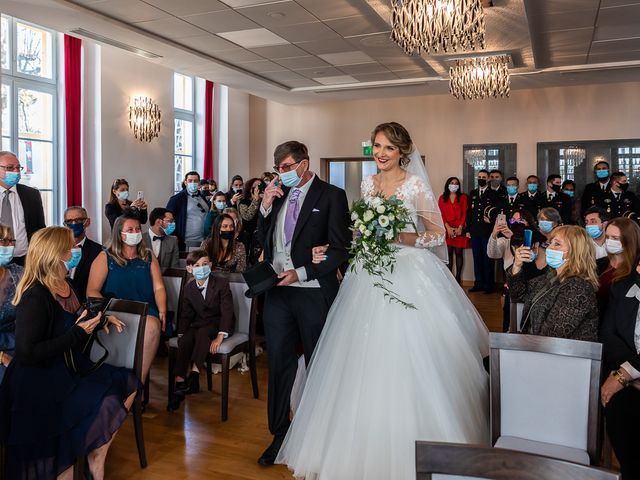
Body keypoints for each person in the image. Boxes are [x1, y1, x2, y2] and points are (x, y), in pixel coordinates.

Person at [275, 123, 489, 479]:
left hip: (409, 272)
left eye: (389, 148)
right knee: (358, 355)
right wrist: (344, 243)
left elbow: (435, 235)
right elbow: (358, 233)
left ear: (402, 151)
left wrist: (400, 235)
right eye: (376, 146)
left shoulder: (416, 184)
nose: (381, 153)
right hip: (369, 272)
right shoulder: (368, 184)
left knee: (407, 352)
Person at [0, 226, 137, 479]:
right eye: (72, 247)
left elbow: (75, 316)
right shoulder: (36, 296)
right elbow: (27, 353)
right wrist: (78, 333)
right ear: (57, 254)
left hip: (63, 368)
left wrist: (99, 319)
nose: (77, 250)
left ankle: (96, 453)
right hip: (36, 382)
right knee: (60, 457)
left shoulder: (67, 282)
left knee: (126, 382)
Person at [255, 139, 351, 466]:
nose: (281, 174)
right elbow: (262, 240)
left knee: (317, 363)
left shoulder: (332, 196)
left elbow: (339, 249)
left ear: (303, 164)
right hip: (278, 292)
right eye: (277, 169)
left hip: (313, 292)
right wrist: (265, 207)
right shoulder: (277, 194)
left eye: (286, 168)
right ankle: (280, 434)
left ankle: (320, 434)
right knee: (279, 364)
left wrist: (303, 271)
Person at [87, 208, 164, 383]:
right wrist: (103, 314)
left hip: (144, 311)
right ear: (119, 234)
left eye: (137, 229)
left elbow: (159, 287)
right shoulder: (104, 257)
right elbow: (92, 290)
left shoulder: (148, 257)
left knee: (152, 325)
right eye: (130, 230)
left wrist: (162, 309)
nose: (135, 233)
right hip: (116, 311)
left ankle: (137, 383)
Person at [168, 249, 234, 411]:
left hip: (218, 323)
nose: (202, 267)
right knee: (186, 339)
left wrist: (220, 337)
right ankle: (180, 383)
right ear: (189, 269)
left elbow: (227, 311)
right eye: (197, 265)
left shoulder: (221, 284)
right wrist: (181, 334)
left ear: (210, 265)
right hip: (199, 323)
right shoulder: (189, 288)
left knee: (204, 333)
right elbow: (186, 314)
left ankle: (195, 375)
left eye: (205, 264)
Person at [507, 225, 599, 341]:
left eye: (557, 244)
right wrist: (517, 265)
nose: (549, 248)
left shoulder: (578, 287)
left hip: (563, 355)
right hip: (539, 348)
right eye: (550, 243)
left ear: (575, 251)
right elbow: (518, 295)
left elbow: (552, 335)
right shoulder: (551, 276)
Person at [600, 258, 640, 480]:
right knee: (616, 409)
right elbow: (608, 334)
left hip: (627, 374)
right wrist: (628, 371)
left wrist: (628, 371)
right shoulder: (622, 287)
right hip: (628, 381)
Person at [487, 209, 546, 332]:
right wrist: (494, 234)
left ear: (529, 223)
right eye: (513, 220)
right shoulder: (505, 242)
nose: (516, 223)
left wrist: (515, 237)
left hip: (533, 290)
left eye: (520, 220)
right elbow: (492, 253)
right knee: (510, 323)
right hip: (511, 288)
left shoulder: (536, 241)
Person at [0, 151, 46, 266]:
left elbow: (39, 229)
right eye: (10, 168)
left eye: (18, 168)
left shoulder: (32, 194)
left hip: (25, 260)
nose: (15, 171)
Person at [596, 217, 640, 317]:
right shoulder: (599, 264)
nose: (609, 241)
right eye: (607, 237)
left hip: (623, 324)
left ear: (629, 239)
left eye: (615, 238)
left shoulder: (637, 268)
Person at [466, 169, 498, 293]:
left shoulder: (493, 194)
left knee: (487, 258)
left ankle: (489, 285)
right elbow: (470, 213)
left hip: (487, 231)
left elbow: (496, 211)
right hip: (475, 231)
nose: (481, 179)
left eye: (484, 177)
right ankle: (478, 283)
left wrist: (491, 220)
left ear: (488, 179)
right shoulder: (473, 193)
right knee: (477, 258)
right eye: (479, 177)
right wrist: (468, 229)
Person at [63, 206, 103, 303]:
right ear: (64, 224)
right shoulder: (55, 249)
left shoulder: (99, 252)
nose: (74, 224)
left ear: (87, 222)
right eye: (69, 221)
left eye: (78, 220)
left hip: (84, 304)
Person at [0, 224, 22, 383]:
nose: (10, 246)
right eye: (4, 241)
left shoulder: (18, 274)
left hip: (17, 344)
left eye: (11, 241)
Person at [166, 171, 210, 250]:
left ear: (199, 183)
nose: (193, 183)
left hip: (204, 241)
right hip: (186, 242)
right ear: (185, 182)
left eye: (195, 181)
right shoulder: (176, 199)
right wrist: (174, 237)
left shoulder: (203, 197)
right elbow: (167, 219)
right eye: (190, 181)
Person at [438, 176, 470, 284]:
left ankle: (458, 279)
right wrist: (448, 228)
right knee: (449, 253)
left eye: (456, 183)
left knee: (459, 253)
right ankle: (450, 279)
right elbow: (441, 214)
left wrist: (460, 227)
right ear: (448, 184)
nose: (454, 185)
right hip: (447, 228)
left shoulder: (463, 197)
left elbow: (465, 213)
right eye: (452, 182)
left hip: (459, 229)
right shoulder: (442, 198)